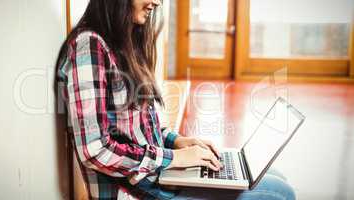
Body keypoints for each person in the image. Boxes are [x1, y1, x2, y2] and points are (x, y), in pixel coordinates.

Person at [55, 0, 296, 199]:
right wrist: (175, 159)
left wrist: (179, 142)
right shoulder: (89, 46)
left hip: (157, 179)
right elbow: (95, 150)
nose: (157, 2)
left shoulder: (123, 41)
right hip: (136, 192)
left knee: (278, 182)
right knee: (279, 195)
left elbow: (138, 128)